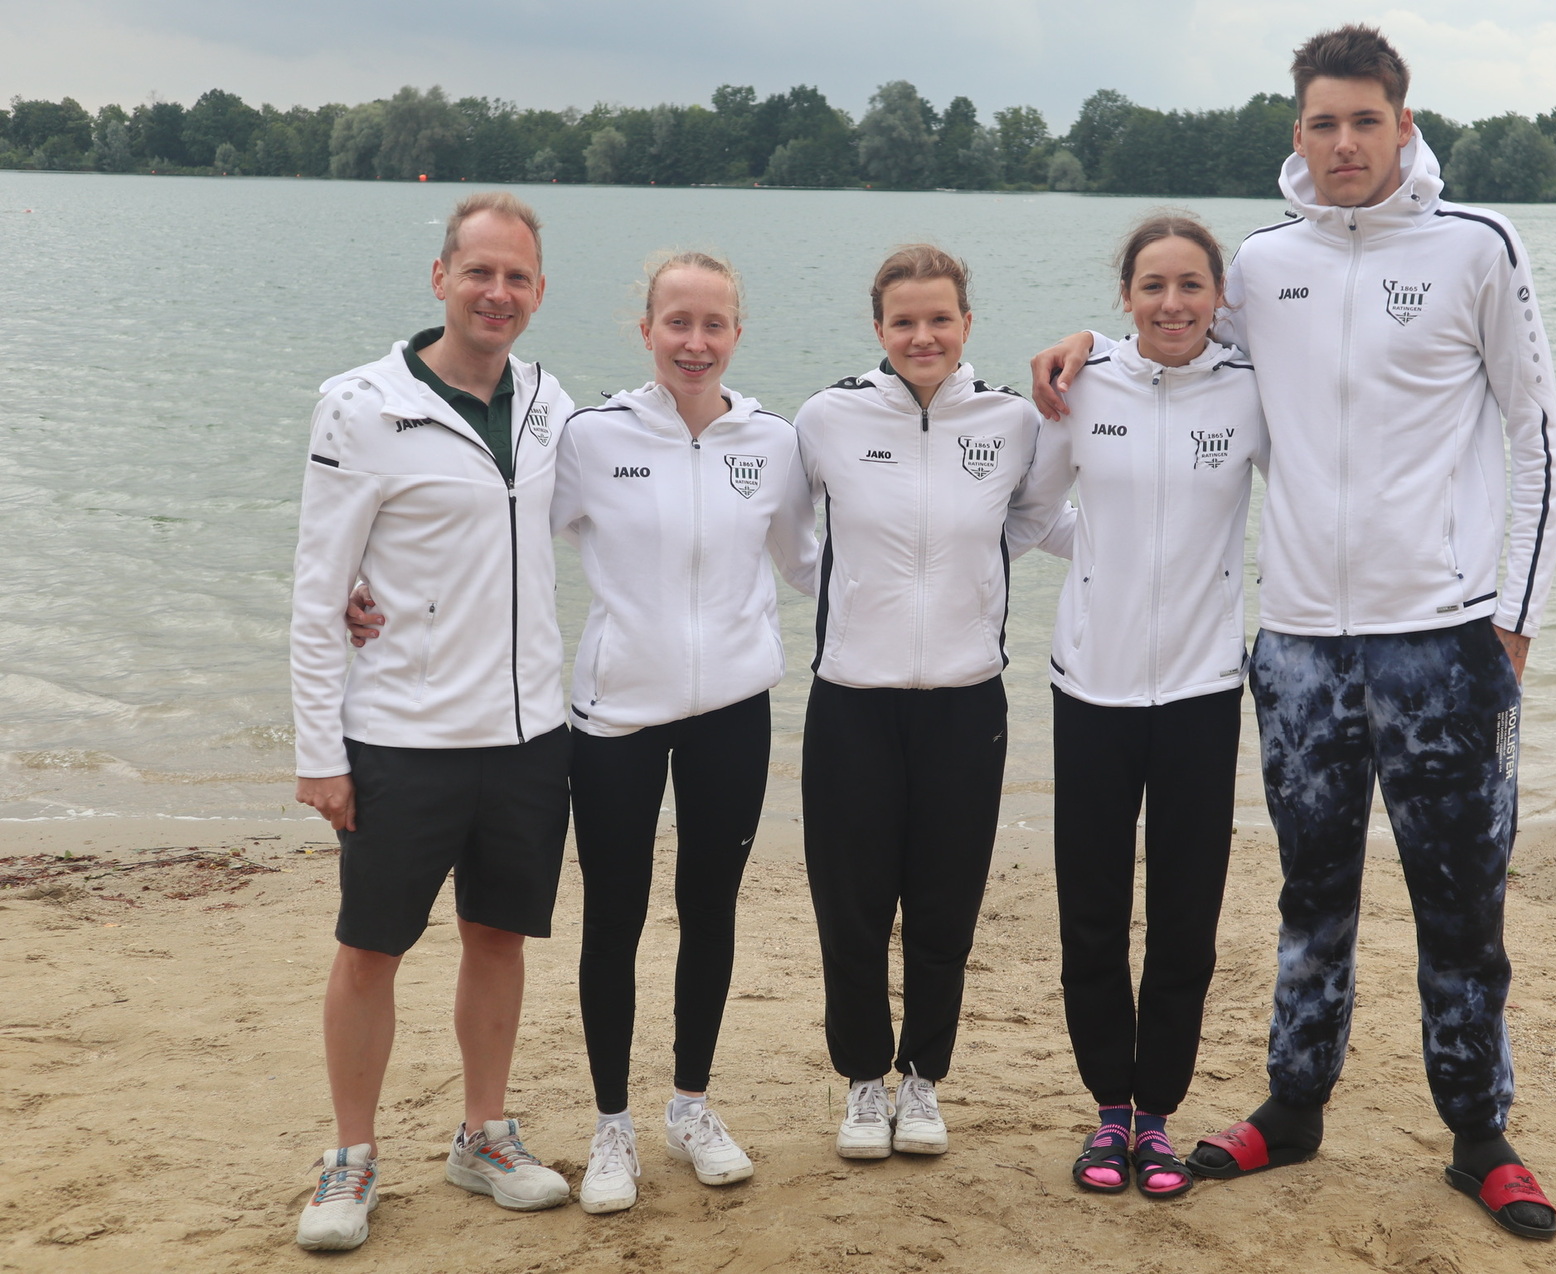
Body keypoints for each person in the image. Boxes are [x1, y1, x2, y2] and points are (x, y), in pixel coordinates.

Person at [1031, 24, 1556, 1240]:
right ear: (1298, 134)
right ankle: (1296, 1098)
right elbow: (1170, 349)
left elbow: (1539, 438)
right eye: (1322, 124)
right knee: (1309, 892)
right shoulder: (1263, 264)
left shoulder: (1477, 247)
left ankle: (1478, 1131)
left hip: (1441, 637)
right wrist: (1083, 347)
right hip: (1296, 649)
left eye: (1364, 122)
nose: (1343, 144)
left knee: (1461, 900)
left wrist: (1514, 622)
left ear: (1403, 125)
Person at [289, 191, 576, 1252]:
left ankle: (483, 1132)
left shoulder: (551, 403)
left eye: (518, 277)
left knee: (497, 936)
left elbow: (649, 479)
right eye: (480, 272)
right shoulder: (359, 406)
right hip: (401, 736)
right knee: (370, 945)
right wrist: (321, 751)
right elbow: (321, 592)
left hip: (529, 735)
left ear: (539, 293)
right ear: (441, 278)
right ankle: (351, 1154)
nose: (497, 292)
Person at [552, 252, 818, 1210]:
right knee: (614, 915)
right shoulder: (589, 438)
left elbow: (808, 565)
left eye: (713, 325)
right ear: (647, 331)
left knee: (709, 907)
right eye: (677, 323)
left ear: (737, 334)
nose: (694, 343)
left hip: (734, 712)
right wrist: (384, 594)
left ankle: (690, 1105)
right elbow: (497, 538)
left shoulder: (774, 443)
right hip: (617, 715)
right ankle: (613, 1125)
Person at [794, 245, 1070, 1161]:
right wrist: (854, 595)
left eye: (939, 319)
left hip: (964, 702)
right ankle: (864, 1085)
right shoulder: (827, 417)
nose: (923, 336)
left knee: (945, 908)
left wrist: (970, 583)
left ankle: (923, 1082)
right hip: (850, 703)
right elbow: (782, 532)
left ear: (965, 324)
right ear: (878, 328)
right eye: (904, 321)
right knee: (853, 908)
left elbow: (1027, 518)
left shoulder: (1010, 420)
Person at [1041, 213, 1267, 1199]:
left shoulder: (1253, 393)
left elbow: (1307, 497)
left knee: (1185, 916)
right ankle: (1107, 1110)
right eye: (1153, 286)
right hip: (1089, 683)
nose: (1172, 304)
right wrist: (1099, 556)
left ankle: (1159, 1116)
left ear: (1219, 296)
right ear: (1124, 296)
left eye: (1190, 285)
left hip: (1202, 687)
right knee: (1091, 912)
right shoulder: (1082, 385)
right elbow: (1032, 507)